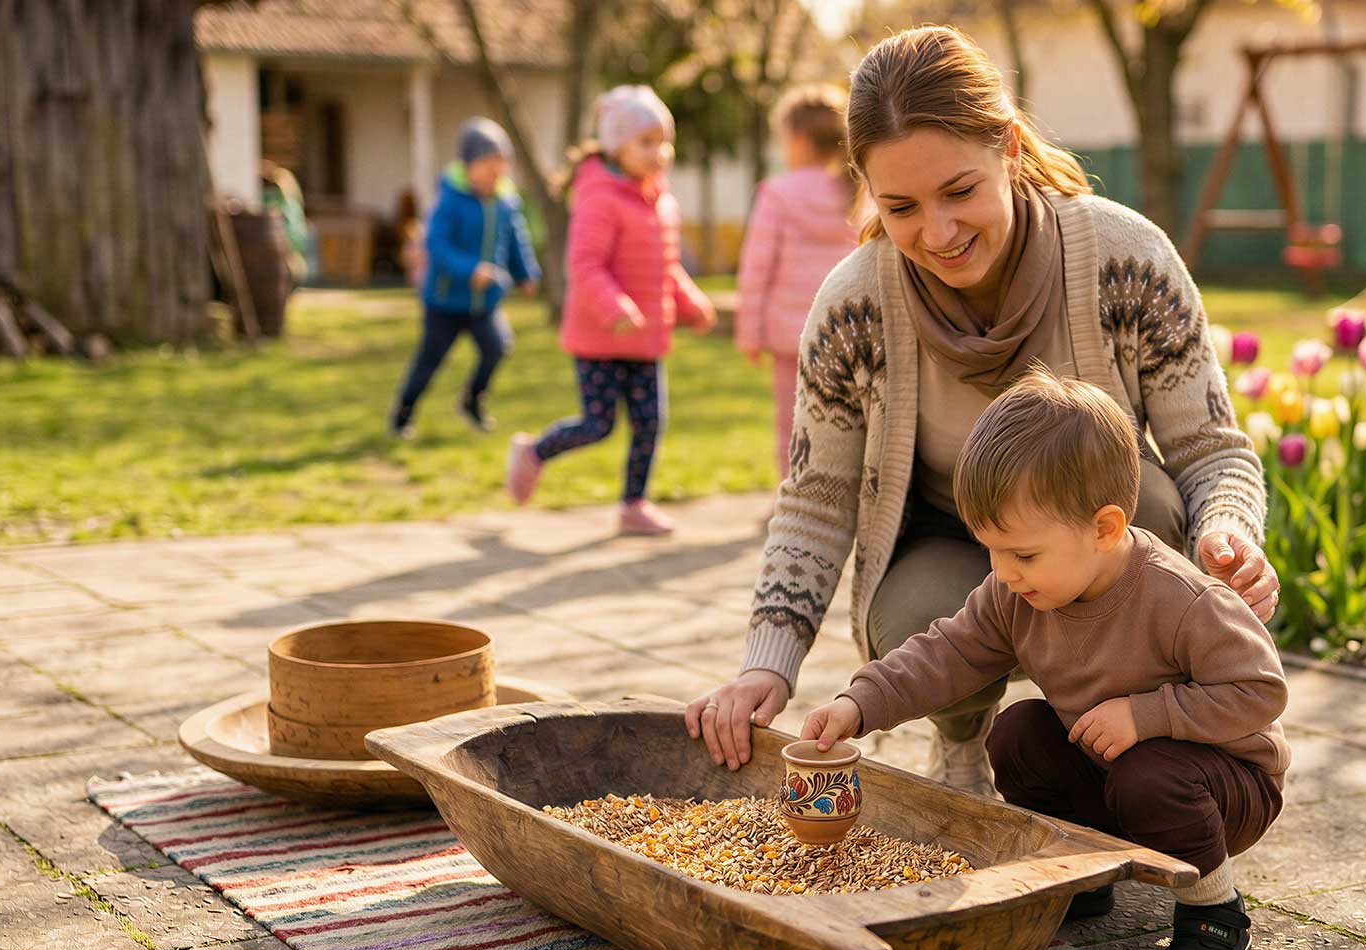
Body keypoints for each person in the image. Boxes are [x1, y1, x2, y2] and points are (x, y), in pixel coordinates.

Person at [685, 25, 1281, 795]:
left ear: (1006, 148)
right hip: (948, 544)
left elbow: (1212, 450)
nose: (938, 233)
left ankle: (1124, 743)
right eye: (900, 207)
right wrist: (768, 665)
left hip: (1105, 542)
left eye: (960, 191)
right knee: (911, 620)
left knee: (1158, 511)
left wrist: (1229, 528)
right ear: (866, 190)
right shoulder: (853, 308)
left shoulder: (1123, 258)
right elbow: (815, 503)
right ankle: (963, 742)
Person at [802, 371, 1288, 950]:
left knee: (1150, 774)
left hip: (1224, 788)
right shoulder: (1016, 595)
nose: (1004, 573)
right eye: (991, 551)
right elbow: (945, 652)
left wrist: (1146, 716)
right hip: (1113, 773)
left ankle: (1215, 910)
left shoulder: (1182, 598)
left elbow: (1261, 690)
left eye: (1023, 555)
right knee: (1018, 733)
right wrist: (859, 704)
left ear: (1105, 529)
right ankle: (1080, 868)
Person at [505, 86, 716, 536]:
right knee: (598, 424)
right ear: (617, 145)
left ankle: (633, 503)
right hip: (600, 337)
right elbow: (584, 265)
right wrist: (614, 306)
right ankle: (533, 452)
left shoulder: (663, 204)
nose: (660, 152)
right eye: (647, 141)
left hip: (646, 338)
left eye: (664, 141)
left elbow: (667, 268)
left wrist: (690, 304)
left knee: (649, 423)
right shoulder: (599, 197)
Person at [735, 84, 859, 482]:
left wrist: (749, 333)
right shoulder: (857, 190)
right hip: (845, 332)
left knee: (791, 420)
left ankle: (793, 493)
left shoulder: (777, 194)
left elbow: (756, 270)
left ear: (800, 140)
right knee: (845, 418)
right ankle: (842, 490)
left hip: (790, 336)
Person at [390, 118, 540, 439]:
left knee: (497, 347)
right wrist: (469, 269)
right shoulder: (450, 199)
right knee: (430, 360)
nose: (495, 171)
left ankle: (473, 400)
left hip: (484, 302)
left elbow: (516, 240)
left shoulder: (506, 202)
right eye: (487, 163)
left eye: (500, 163)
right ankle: (404, 412)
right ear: (469, 165)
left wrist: (526, 273)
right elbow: (436, 245)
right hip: (446, 300)